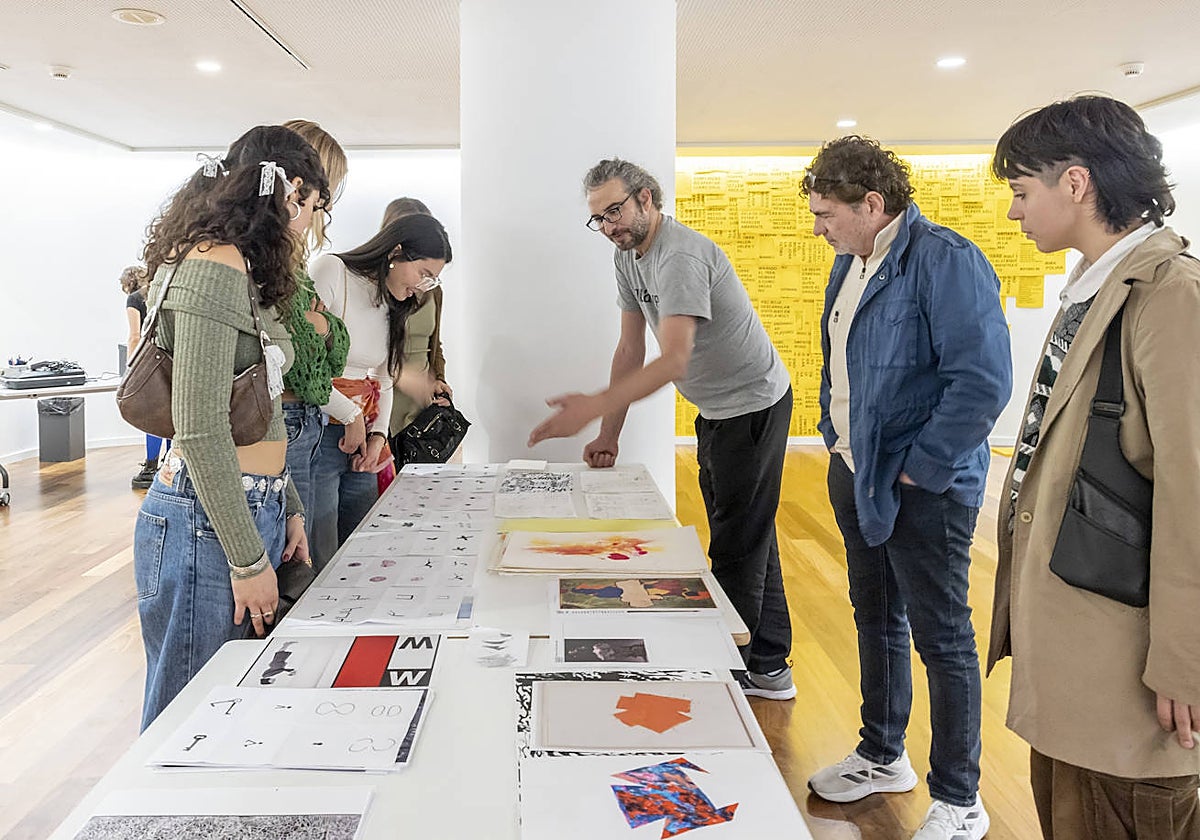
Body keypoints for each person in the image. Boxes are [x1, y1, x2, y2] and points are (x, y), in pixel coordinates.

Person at [990, 96, 1200, 839]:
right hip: (1079, 656)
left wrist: (1186, 659)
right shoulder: (1096, 286)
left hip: (1134, 678)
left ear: (1075, 183)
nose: (1015, 213)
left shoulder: (1170, 296)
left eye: (1021, 191)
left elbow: (1193, 489)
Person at [800, 136, 1011, 840]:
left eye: (827, 213)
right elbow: (839, 359)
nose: (818, 226)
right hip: (856, 472)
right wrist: (836, 439)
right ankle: (881, 753)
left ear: (872, 203)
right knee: (875, 613)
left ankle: (960, 798)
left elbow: (980, 382)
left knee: (942, 636)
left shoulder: (945, 261)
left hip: (926, 483)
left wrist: (920, 466)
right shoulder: (850, 261)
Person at [528, 158, 796, 700]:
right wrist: (608, 432)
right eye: (599, 218)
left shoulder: (680, 257)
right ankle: (770, 664)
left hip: (753, 404)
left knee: (736, 545)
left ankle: (732, 676)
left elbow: (673, 359)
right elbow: (630, 349)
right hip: (717, 410)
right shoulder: (629, 258)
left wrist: (591, 407)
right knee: (748, 531)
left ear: (646, 198)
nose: (609, 226)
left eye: (616, 211)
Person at [134, 125, 327, 729]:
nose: (307, 223)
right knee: (186, 719)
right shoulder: (212, 264)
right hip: (206, 521)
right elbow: (198, 429)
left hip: (240, 508)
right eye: (311, 206)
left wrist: (288, 502)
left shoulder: (233, 264)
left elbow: (258, 409)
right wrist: (247, 561)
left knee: (222, 709)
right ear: (288, 191)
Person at [308, 213, 451, 568]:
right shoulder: (332, 271)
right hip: (318, 429)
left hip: (363, 435)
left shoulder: (393, 302)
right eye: (424, 274)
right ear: (397, 252)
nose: (424, 287)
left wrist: (377, 437)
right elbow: (304, 367)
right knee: (321, 551)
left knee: (362, 550)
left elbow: (383, 378)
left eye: (432, 281)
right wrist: (351, 415)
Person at [276, 119, 351, 550]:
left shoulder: (295, 257)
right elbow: (302, 361)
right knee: (290, 555)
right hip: (286, 418)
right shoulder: (274, 260)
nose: (322, 207)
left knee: (298, 544)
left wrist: (324, 328)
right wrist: (320, 330)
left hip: (303, 418)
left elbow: (332, 350)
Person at [379, 197, 455, 471]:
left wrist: (438, 381)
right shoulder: (377, 289)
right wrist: (403, 378)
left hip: (422, 409)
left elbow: (435, 345)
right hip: (384, 407)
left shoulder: (434, 291)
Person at [121, 264, 171, 489]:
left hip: (150, 361)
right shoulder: (167, 292)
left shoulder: (134, 299)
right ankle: (170, 465)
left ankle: (150, 467)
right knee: (172, 416)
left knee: (153, 416)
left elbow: (134, 336)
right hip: (173, 358)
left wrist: (131, 368)